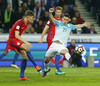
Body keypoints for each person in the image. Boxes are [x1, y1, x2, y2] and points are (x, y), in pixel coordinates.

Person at [42, 8, 89, 77]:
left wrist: (83, 25)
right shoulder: (58, 23)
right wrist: (50, 13)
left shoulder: (69, 26)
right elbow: (52, 19)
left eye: (67, 20)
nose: (65, 21)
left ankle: (69, 58)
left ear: (68, 20)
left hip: (61, 46)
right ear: (62, 19)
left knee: (65, 51)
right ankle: (46, 69)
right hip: (54, 44)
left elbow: (77, 26)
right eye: (64, 19)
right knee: (46, 60)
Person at [4, 10, 41, 80]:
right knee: (27, 48)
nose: (33, 19)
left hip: (16, 40)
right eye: (32, 17)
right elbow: (17, 35)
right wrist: (25, 42)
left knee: (25, 56)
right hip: (12, 39)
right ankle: (36, 66)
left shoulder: (26, 23)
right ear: (28, 17)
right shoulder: (20, 22)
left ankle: (21, 76)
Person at [38, 6, 66, 75]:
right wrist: (41, 38)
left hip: (56, 39)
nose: (58, 13)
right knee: (58, 52)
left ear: (61, 13)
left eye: (60, 12)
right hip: (51, 38)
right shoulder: (52, 19)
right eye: (57, 12)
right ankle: (57, 70)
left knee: (48, 54)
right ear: (55, 12)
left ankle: (42, 70)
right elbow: (45, 28)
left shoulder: (62, 20)